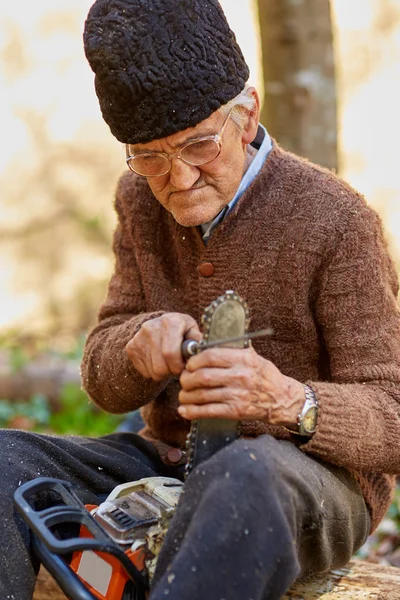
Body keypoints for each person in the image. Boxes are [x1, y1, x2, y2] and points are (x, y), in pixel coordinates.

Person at [2, 0, 400, 598]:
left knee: (245, 477)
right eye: (150, 157)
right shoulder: (138, 200)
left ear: (246, 115)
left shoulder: (336, 220)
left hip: (302, 482)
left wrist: (290, 400)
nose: (178, 179)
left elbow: (392, 413)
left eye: (197, 147)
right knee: (6, 460)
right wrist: (135, 347)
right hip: (170, 461)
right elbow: (102, 377)